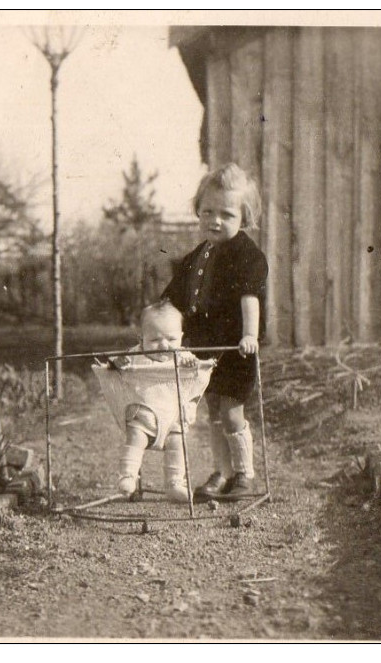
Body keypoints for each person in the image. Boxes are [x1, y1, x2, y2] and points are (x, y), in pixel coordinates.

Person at [161, 163, 268, 501]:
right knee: (212, 413)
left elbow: (250, 298)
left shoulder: (247, 255)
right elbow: (174, 299)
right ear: (198, 211)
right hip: (204, 350)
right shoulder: (196, 256)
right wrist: (160, 327)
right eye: (208, 211)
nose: (215, 220)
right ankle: (221, 472)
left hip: (236, 348)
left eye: (226, 214)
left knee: (231, 412)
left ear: (244, 217)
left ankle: (243, 472)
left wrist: (250, 335)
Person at [105, 301, 202, 502]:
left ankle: (175, 483)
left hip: (172, 419)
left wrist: (191, 364)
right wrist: (116, 363)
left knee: (178, 442)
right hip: (145, 417)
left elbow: (196, 371)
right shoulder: (136, 354)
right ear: (142, 339)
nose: (164, 345)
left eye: (171, 338)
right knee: (135, 437)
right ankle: (128, 476)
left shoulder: (182, 355)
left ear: (181, 337)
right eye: (155, 339)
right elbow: (115, 363)